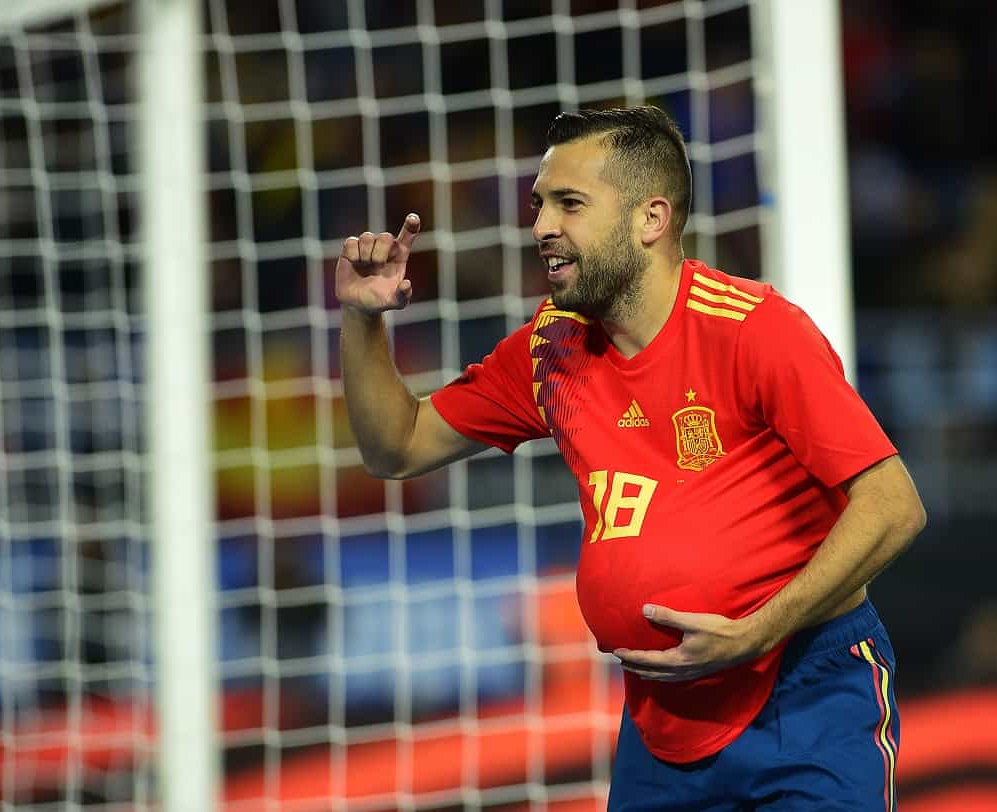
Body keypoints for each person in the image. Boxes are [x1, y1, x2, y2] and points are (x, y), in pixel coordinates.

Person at [336, 105, 926, 811]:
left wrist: (758, 631)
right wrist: (363, 319)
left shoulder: (756, 332)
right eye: (539, 204)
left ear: (651, 219)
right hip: (661, 723)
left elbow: (894, 507)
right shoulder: (552, 350)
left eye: (570, 204)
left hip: (806, 697)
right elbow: (395, 447)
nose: (541, 226)